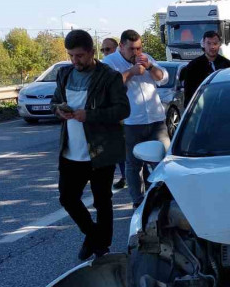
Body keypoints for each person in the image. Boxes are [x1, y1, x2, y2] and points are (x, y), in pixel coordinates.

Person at [52, 30, 130, 261]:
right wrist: (58, 110)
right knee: (67, 198)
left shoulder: (109, 76)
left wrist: (90, 115)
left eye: (79, 56)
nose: (75, 61)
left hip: (100, 151)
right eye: (71, 56)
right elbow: (54, 101)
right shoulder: (64, 74)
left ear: (91, 53)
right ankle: (93, 234)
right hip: (70, 151)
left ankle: (101, 247)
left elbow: (123, 110)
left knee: (101, 201)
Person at [101, 29, 170, 208]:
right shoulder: (109, 62)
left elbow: (163, 78)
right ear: (121, 46)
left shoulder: (145, 57)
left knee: (163, 161)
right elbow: (108, 86)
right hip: (131, 121)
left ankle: (164, 198)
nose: (136, 53)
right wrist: (130, 72)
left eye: (139, 48)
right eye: (132, 49)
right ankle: (138, 202)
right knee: (134, 164)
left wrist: (150, 67)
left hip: (156, 119)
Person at [181, 30, 230, 107]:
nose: (212, 47)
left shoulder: (228, 65)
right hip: (201, 109)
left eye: (215, 43)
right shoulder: (193, 66)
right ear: (203, 44)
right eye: (209, 43)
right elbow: (189, 93)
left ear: (219, 45)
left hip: (224, 107)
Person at [100, 37, 126, 190]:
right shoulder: (104, 66)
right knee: (117, 147)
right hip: (111, 113)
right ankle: (124, 176)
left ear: (117, 49)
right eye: (103, 50)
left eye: (107, 49)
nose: (104, 53)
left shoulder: (121, 63)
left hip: (126, 113)